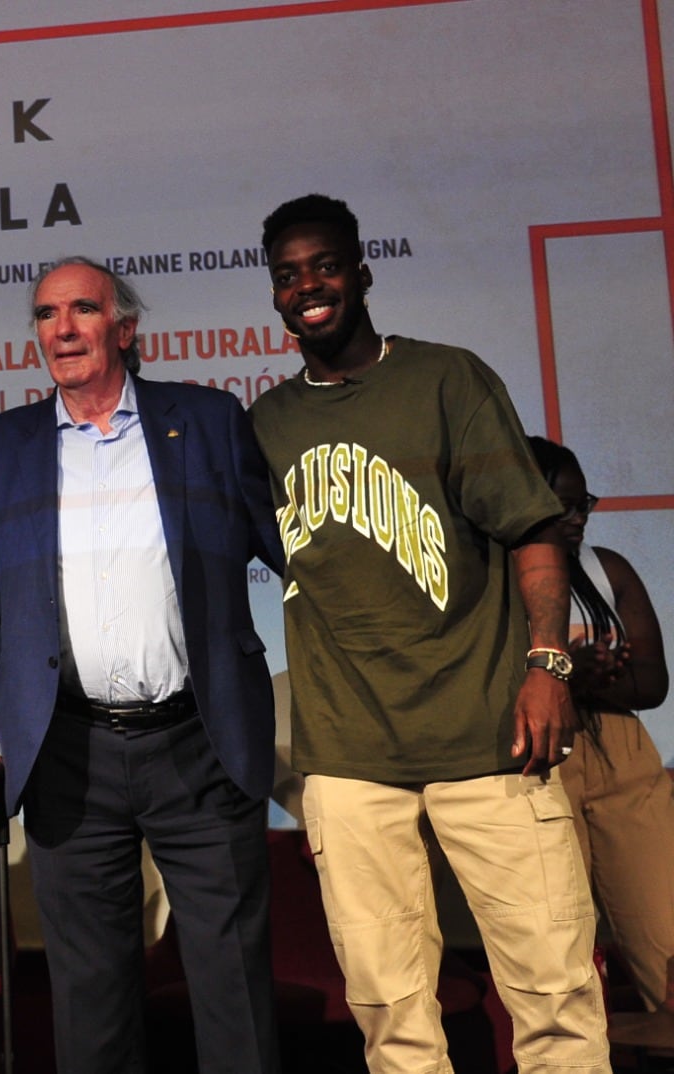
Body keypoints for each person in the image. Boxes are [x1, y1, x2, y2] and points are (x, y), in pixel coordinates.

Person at [248, 193, 609, 1073]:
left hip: (492, 739)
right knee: (392, 1018)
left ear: (362, 272)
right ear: (276, 296)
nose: (309, 287)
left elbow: (532, 528)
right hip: (349, 757)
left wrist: (548, 665)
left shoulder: (448, 380)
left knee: (554, 995)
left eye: (325, 266)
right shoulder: (266, 426)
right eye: (289, 275)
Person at [0, 257, 285, 1074]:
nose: (61, 328)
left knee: (234, 996)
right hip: (69, 755)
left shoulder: (206, 421)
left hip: (199, 742)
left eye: (82, 309)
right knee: (90, 1015)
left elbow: (291, 551)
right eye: (46, 314)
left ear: (124, 330)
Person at [530, 435, 674, 1011]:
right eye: (559, 505)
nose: (574, 519)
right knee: (559, 950)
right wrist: (568, 669)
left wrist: (586, 678)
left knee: (664, 940)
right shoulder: (485, 580)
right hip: (541, 766)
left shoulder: (605, 567)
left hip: (624, 761)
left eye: (581, 504)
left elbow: (655, 684)